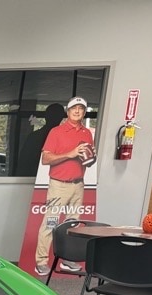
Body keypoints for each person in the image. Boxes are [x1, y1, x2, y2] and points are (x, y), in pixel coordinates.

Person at [33, 96, 95, 276]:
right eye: (74, 108)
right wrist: (71, 153)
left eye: (81, 109)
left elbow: (86, 160)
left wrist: (90, 157)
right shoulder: (56, 132)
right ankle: (41, 261)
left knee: (72, 224)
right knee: (51, 223)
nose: (77, 111)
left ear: (84, 112)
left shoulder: (87, 133)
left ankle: (68, 259)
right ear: (68, 111)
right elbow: (46, 159)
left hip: (78, 184)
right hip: (59, 185)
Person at [17, 102, 66, 177]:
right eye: (54, 115)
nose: (55, 118)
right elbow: (24, 163)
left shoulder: (34, 137)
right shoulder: (34, 137)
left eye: (57, 116)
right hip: (34, 178)